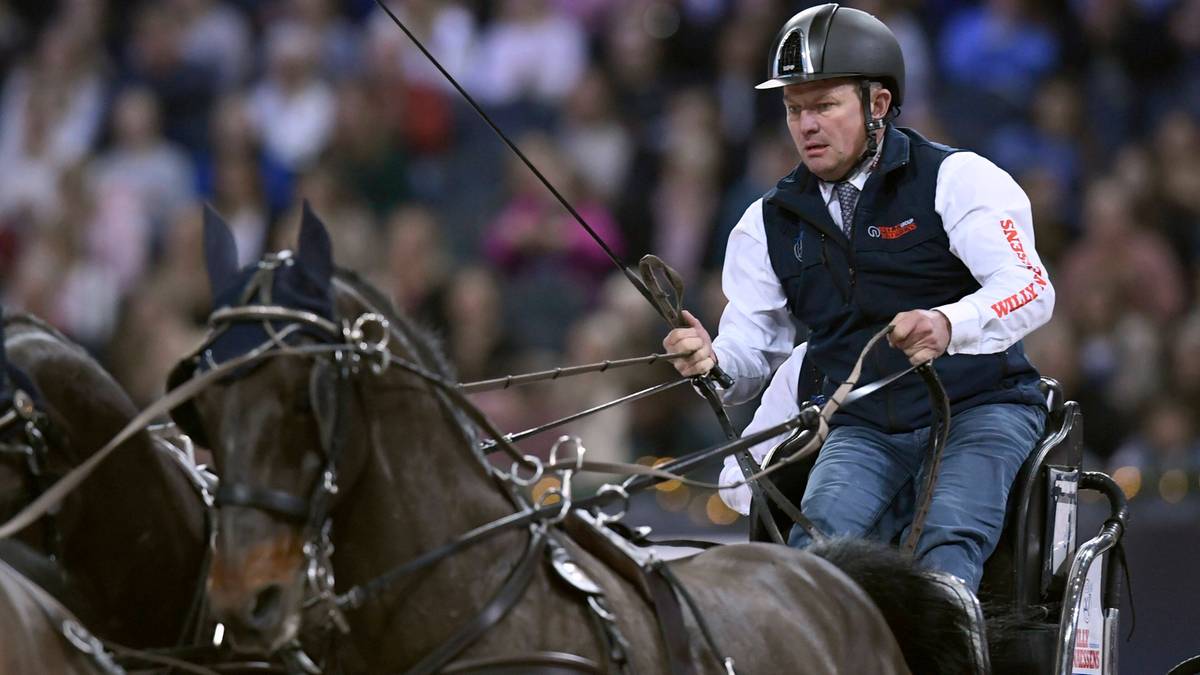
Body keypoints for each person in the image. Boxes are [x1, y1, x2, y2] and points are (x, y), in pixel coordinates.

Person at [665, 4, 1053, 592]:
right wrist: (712, 363)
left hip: (981, 407)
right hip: (862, 422)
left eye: (824, 106)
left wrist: (950, 322)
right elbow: (752, 351)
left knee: (945, 553)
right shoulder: (763, 223)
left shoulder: (959, 178)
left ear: (877, 105)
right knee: (812, 564)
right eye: (795, 110)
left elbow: (1030, 288)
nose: (806, 126)